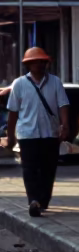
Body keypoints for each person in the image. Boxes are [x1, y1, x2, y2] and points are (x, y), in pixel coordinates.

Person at [2, 47, 71, 217]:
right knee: (29, 169)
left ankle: (43, 200)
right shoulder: (19, 84)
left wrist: (65, 125)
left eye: (42, 61)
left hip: (50, 133)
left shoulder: (55, 82)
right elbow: (13, 112)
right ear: (28, 64)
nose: (39, 64)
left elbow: (63, 105)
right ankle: (33, 200)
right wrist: (10, 136)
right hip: (27, 134)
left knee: (48, 169)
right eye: (35, 62)